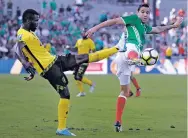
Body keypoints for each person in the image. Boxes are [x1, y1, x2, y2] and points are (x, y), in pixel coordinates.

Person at [14, 9, 120, 136]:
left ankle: (117, 48)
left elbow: (27, 52)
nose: (37, 23)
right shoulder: (23, 34)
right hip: (49, 69)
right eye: (35, 21)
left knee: (84, 57)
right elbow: (17, 50)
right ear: (27, 20)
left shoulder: (28, 33)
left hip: (55, 60)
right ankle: (61, 128)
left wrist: (30, 68)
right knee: (65, 94)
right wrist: (26, 65)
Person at [85, 3, 183, 132]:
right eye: (142, 11)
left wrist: (174, 25)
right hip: (127, 52)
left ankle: (118, 122)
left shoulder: (144, 27)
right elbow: (114, 21)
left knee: (125, 92)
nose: (145, 14)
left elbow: (158, 29)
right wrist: (95, 28)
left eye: (147, 12)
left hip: (122, 60)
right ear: (138, 13)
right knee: (133, 49)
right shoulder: (133, 19)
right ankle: (135, 59)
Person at [73, 28, 96, 97]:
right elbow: (75, 49)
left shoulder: (90, 41)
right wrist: (68, 48)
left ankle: (91, 84)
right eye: (82, 32)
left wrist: (91, 54)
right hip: (78, 60)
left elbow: (94, 50)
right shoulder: (78, 41)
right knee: (76, 76)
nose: (83, 33)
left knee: (79, 76)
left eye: (84, 32)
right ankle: (82, 92)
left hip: (85, 60)